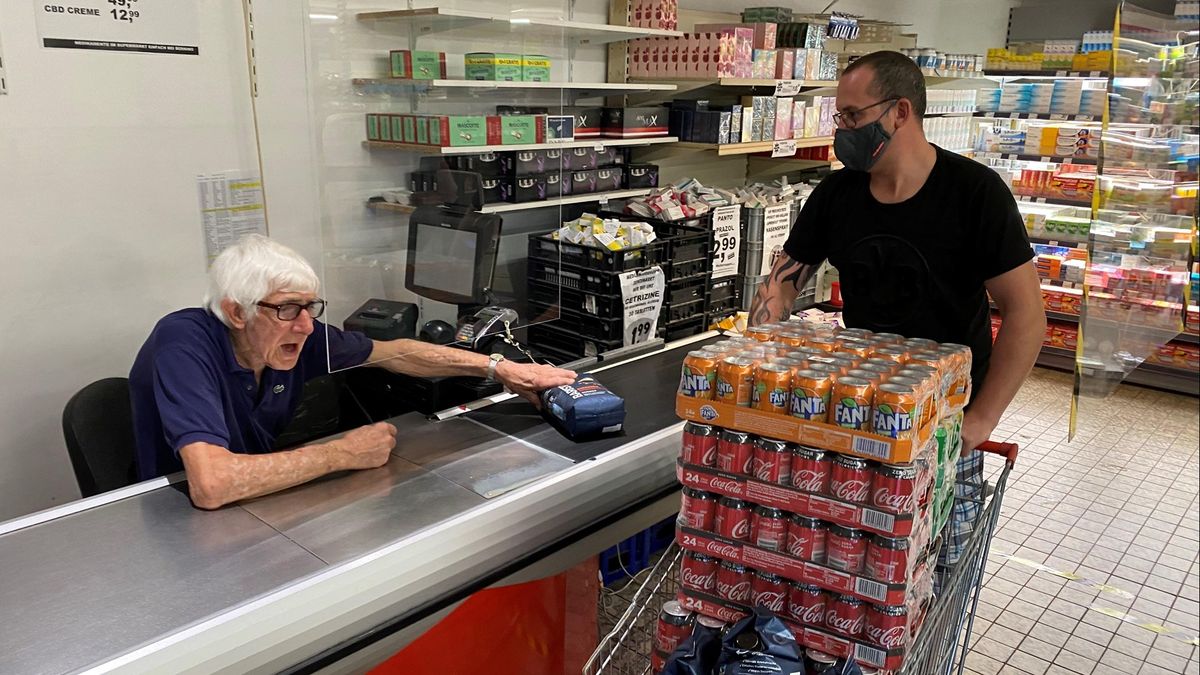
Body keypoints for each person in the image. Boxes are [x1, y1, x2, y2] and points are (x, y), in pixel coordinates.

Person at [749, 51, 1046, 564]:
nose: (842, 130)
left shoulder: (975, 194)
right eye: (838, 117)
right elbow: (784, 281)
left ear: (900, 112)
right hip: (860, 414)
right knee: (851, 564)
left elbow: (1027, 315)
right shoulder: (837, 193)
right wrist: (760, 358)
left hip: (944, 423)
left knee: (939, 574)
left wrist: (981, 421)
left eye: (853, 117)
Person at [130, 234, 576, 509]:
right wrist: (342, 454)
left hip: (257, 504)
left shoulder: (293, 334)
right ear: (237, 312)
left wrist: (500, 368)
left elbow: (396, 353)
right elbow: (211, 484)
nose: (306, 325)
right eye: (288, 309)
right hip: (178, 517)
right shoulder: (183, 343)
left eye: (310, 307)